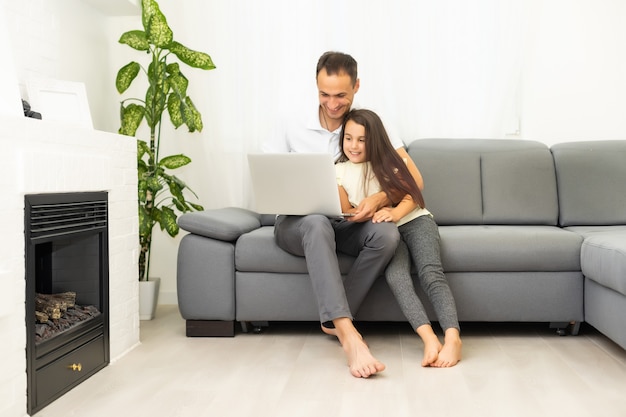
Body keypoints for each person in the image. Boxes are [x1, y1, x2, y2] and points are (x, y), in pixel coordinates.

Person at [263, 52, 416, 378]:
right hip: (296, 225)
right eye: (324, 94)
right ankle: (350, 337)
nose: (332, 104)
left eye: (341, 95)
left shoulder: (371, 123)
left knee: (387, 235)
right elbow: (268, 177)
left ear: (357, 86)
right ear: (316, 87)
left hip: (347, 223)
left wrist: (377, 198)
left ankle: (333, 317)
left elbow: (411, 178)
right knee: (317, 222)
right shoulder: (289, 120)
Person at [336, 108, 463, 368]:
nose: (354, 146)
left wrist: (394, 212)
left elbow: (413, 195)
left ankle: (453, 337)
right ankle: (428, 338)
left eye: (362, 139)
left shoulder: (392, 161)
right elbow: (345, 210)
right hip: (387, 234)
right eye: (348, 138)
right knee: (397, 277)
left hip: (414, 221)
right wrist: (358, 215)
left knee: (431, 273)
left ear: (375, 139)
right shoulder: (339, 170)